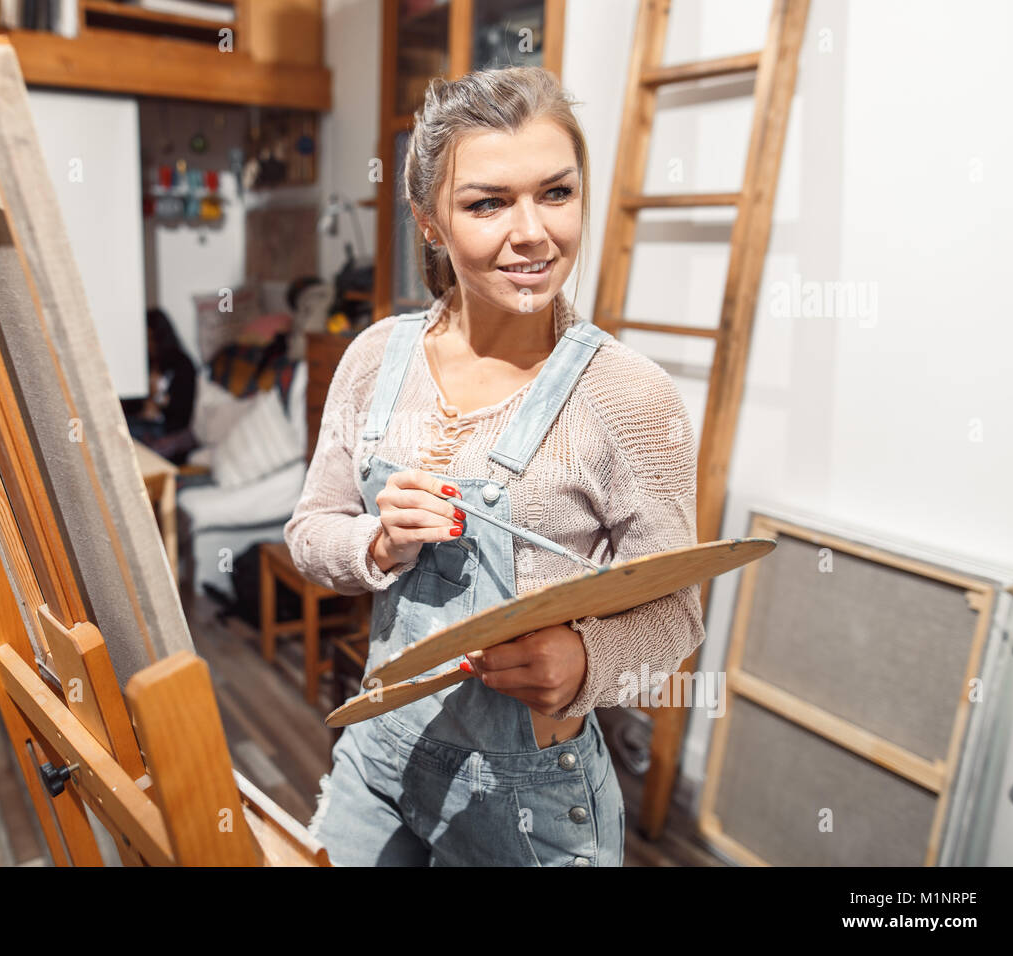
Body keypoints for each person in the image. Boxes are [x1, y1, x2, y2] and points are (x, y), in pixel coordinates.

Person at [283, 66, 705, 866]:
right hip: (382, 756)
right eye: (487, 203)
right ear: (430, 222)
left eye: (556, 193)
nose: (533, 233)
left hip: (534, 803)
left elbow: (676, 613)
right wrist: (374, 544)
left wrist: (585, 659)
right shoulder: (376, 359)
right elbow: (310, 532)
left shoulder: (629, 398)